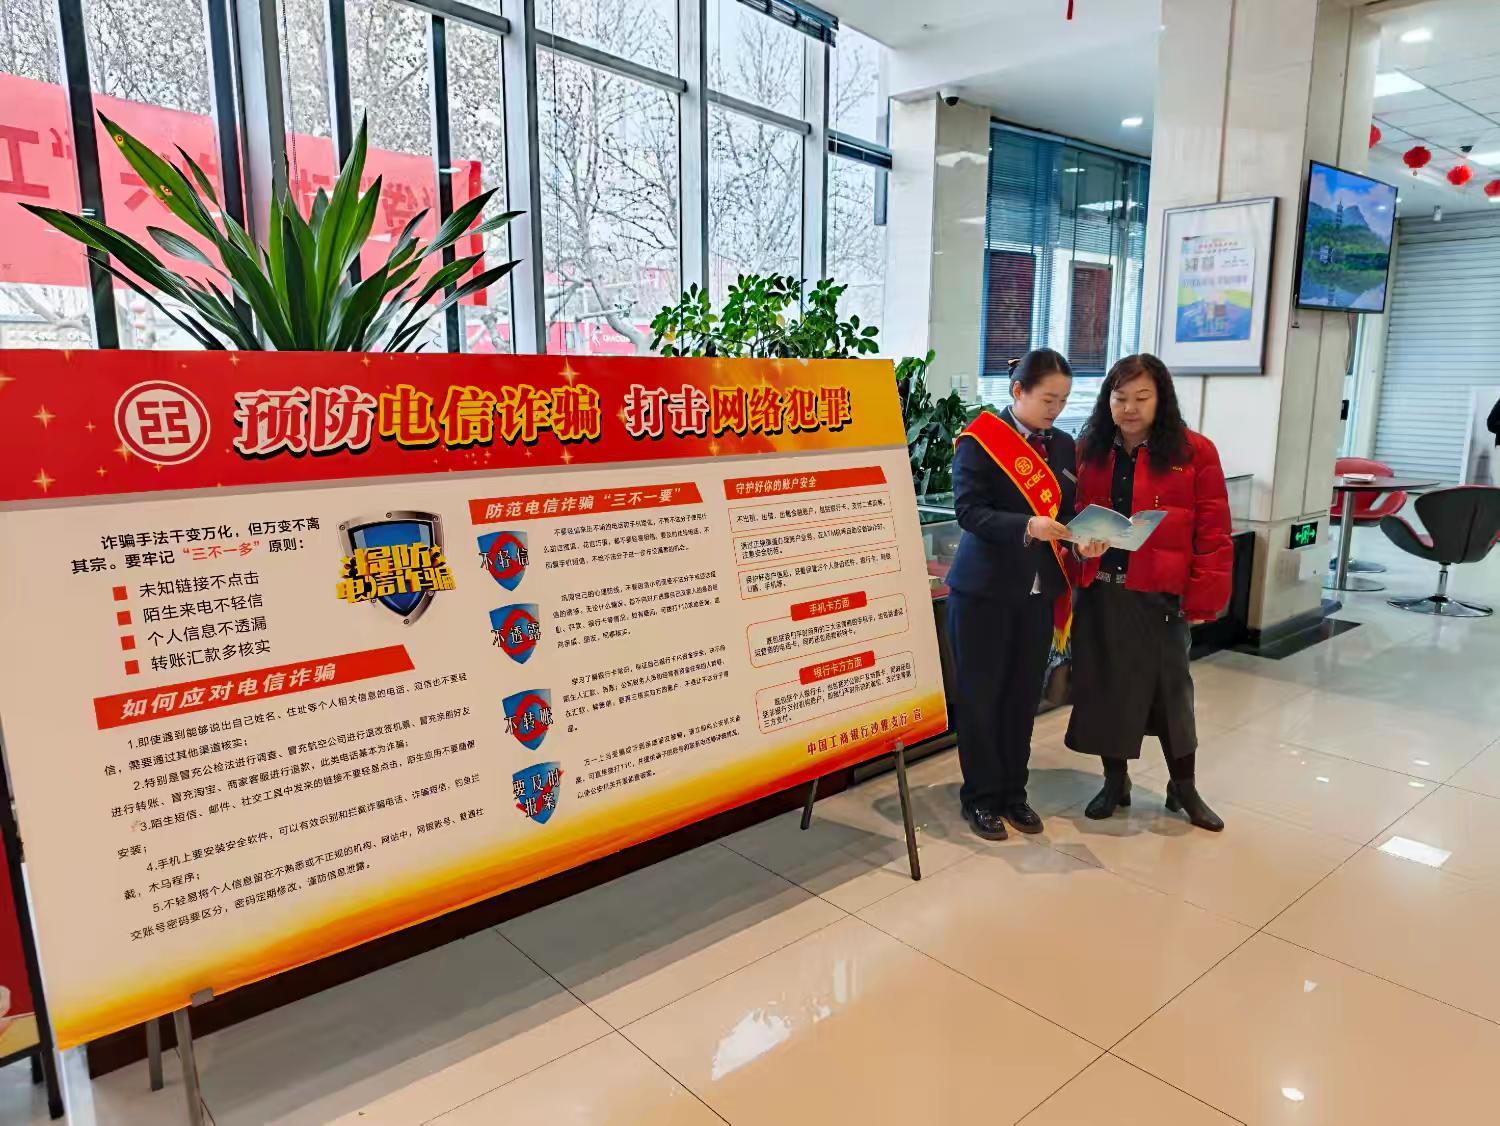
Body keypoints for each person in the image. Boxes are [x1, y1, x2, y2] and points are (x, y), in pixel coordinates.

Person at [1065, 353, 1232, 831]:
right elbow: (1071, 516)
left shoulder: (1194, 452)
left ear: (1162, 399)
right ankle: (1114, 782)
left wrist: (1203, 598)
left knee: (1171, 694)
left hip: (1160, 595)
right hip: (1101, 591)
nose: (1130, 409)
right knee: (1105, 689)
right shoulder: (1090, 449)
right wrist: (1079, 545)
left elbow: (1214, 532)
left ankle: (1184, 787)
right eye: (1120, 398)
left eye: (1142, 398)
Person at [947, 349, 1105, 839]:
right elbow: (969, 512)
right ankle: (980, 798)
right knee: (981, 698)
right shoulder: (981, 440)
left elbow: (1066, 511)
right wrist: (1026, 526)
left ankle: (1014, 793)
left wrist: (1081, 539)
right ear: (1018, 391)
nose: (1056, 409)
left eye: (1064, 400)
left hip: (1039, 593)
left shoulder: (1063, 445)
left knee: (1021, 699)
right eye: (1048, 398)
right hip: (983, 592)